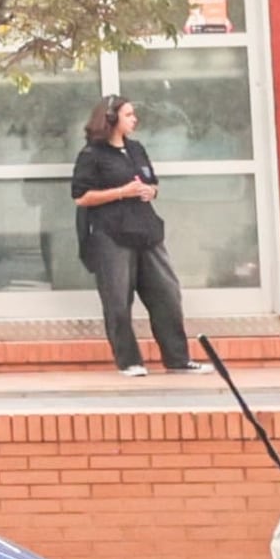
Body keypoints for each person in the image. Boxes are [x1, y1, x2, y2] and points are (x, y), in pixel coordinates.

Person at [69, 95, 187, 376]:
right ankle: (130, 361)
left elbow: (151, 180)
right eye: (128, 115)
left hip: (146, 231)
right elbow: (81, 197)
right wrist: (122, 192)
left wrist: (151, 190)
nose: (134, 119)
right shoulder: (91, 155)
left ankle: (178, 359)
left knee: (167, 293)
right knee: (118, 299)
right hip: (112, 234)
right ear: (111, 119)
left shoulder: (136, 149)